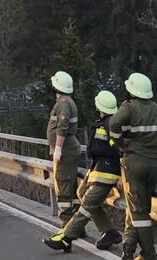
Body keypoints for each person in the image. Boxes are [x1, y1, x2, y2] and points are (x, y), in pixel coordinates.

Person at [44, 89, 123, 253]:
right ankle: (109, 232)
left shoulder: (111, 125)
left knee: (87, 203)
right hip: (97, 171)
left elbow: (121, 151)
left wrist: (122, 175)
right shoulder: (104, 122)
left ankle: (66, 238)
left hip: (107, 174)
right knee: (81, 193)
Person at [108, 73, 157, 260]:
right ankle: (130, 245)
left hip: (133, 163)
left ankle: (149, 254)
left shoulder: (129, 108)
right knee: (142, 208)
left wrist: (119, 144)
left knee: (138, 212)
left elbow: (113, 123)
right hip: (153, 164)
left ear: (132, 90)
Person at [47, 70, 82, 226]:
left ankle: (66, 225)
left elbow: (62, 127)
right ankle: (75, 225)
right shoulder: (67, 101)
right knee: (71, 186)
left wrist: (58, 149)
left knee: (63, 186)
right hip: (68, 149)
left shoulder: (63, 104)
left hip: (65, 150)